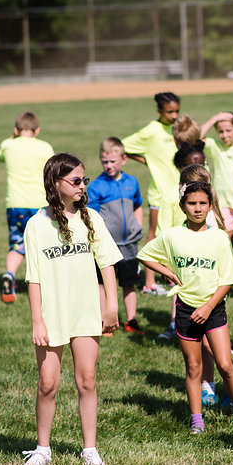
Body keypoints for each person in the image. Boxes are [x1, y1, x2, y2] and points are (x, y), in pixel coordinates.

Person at [21, 154, 122, 465]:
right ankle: (43, 449)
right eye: (75, 180)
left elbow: (106, 263)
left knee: (87, 381)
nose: (82, 185)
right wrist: (37, 320)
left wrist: (112, 305)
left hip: (85, 311)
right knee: (48, 383)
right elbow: (33, 277)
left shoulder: (91, 217)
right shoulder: (36, 225)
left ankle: (90, 449)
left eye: (84, 180)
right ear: (56, 183)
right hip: (52, 315)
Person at [139, 181, 233, 433]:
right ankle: (197, 421)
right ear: (183, 206)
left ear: (210, 206)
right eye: (192, 203)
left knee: (225, 364)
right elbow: (144, 254)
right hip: (186, 310)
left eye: (203, 203)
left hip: (213, 310)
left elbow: (228, 279)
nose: (197, 209)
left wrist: (207, 308)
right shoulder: (173, 235)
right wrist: (168, 273)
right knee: (193, 367)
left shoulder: (218, 236)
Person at [123, 92, 182, 296]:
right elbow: (122, 147)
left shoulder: (178, 129)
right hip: (159, 193)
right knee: (155, 235)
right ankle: (149, 283)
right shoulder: (151, 130)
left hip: (179, 192)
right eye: (169, 112)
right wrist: (147, 160)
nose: (174, 116)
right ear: (159, 112)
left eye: (176, 111)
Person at [86, 137, 144, 334]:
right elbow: (91, 216)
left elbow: (138, 205)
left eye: (113, 161)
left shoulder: (132, 182)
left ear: (124, 159)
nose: (109, 165)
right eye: (105, 161)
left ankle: (131, 321)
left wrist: (138, 227)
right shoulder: (96, 186)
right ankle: (106, 323)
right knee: (102, 285)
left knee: (129, 284)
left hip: (129, 245)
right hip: (105, 246)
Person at [0, 111, 54, 304]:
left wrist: (13, 138)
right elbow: (52, 169)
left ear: (16, 129)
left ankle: (10, 274)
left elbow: (1, 156)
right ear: (37, 130)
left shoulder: (8, 145)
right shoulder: (44, 147)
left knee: (17, 243)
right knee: (43, 245)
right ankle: (44, 285)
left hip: (15, 204)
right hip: (39, 204)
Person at [200, 111, 233, 274]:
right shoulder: (215, 146)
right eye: (220, 131)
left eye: (228, 130)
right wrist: (214, 118)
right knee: (224, 244)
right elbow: (195, 139)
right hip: (221, 205)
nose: (224, 135)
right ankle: (225, 280)